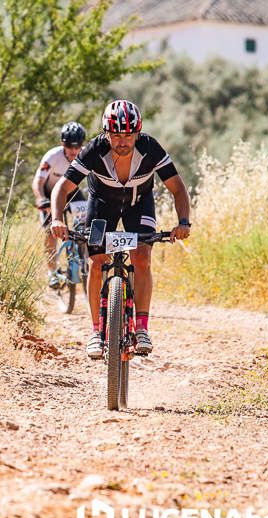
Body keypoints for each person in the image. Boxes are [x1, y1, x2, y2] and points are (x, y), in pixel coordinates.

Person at [49, 100, 191, 358]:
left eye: (128, 135)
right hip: (102, 205)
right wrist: (57, 219)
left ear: (138, 132)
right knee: (96, 261)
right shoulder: (94, 150)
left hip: (140, 204)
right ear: (106, 133)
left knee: (142, 258)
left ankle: (142, 328)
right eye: (115, 135)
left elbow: (177, 188)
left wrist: (183, 222)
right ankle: (95, 331)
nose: (122, 141)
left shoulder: (150, 149)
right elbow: (63, 187)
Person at [31, 121, 87, 288]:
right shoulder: (52, 157)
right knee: (50, 232)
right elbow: (38, 182)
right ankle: (52, 272)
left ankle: (83, 258)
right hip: (50, 194)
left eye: (78, 147)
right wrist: (41, 198)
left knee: (87, 224)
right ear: (63, 144)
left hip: (73, 193)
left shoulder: (85, 155)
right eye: (70, 146)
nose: (74, 151)